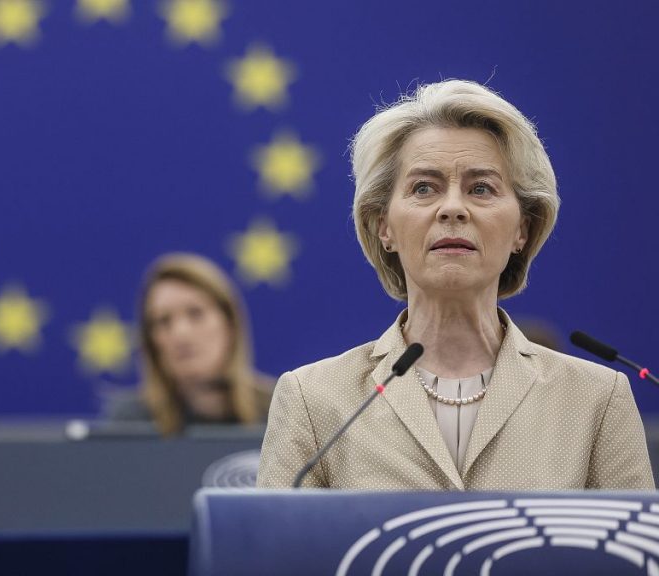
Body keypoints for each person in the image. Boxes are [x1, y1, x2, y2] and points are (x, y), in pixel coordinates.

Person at [257, 80, 653, 489]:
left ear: (522, 228)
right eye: (423, 188)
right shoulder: (313, 399)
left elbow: (633, 534)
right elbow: (275, 534)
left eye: (481, 189)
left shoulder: (596, 399)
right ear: (383, 226)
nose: (452, 209)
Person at [105, 253, 274, 435]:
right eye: (164, 321)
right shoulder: (130, 422)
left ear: (230, 324)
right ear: (151, 341)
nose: (180, 334)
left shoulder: (278, 408)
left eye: (195, 313)